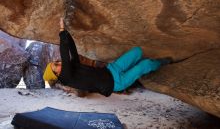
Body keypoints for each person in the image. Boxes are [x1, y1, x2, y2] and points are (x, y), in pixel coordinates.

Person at [43, 18, 172, 97]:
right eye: (56, 65)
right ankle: (161, 63)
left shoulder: (72, 67)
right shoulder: (66, 78)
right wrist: (61, 30)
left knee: (137, 51)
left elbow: (72, 50)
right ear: (56, 74)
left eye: (56, 62)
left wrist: (66, 33)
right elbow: (65, 55)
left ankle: (145, 69)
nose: (59, 63)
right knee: (146, 64)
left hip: (112, 69)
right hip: (115, 83)